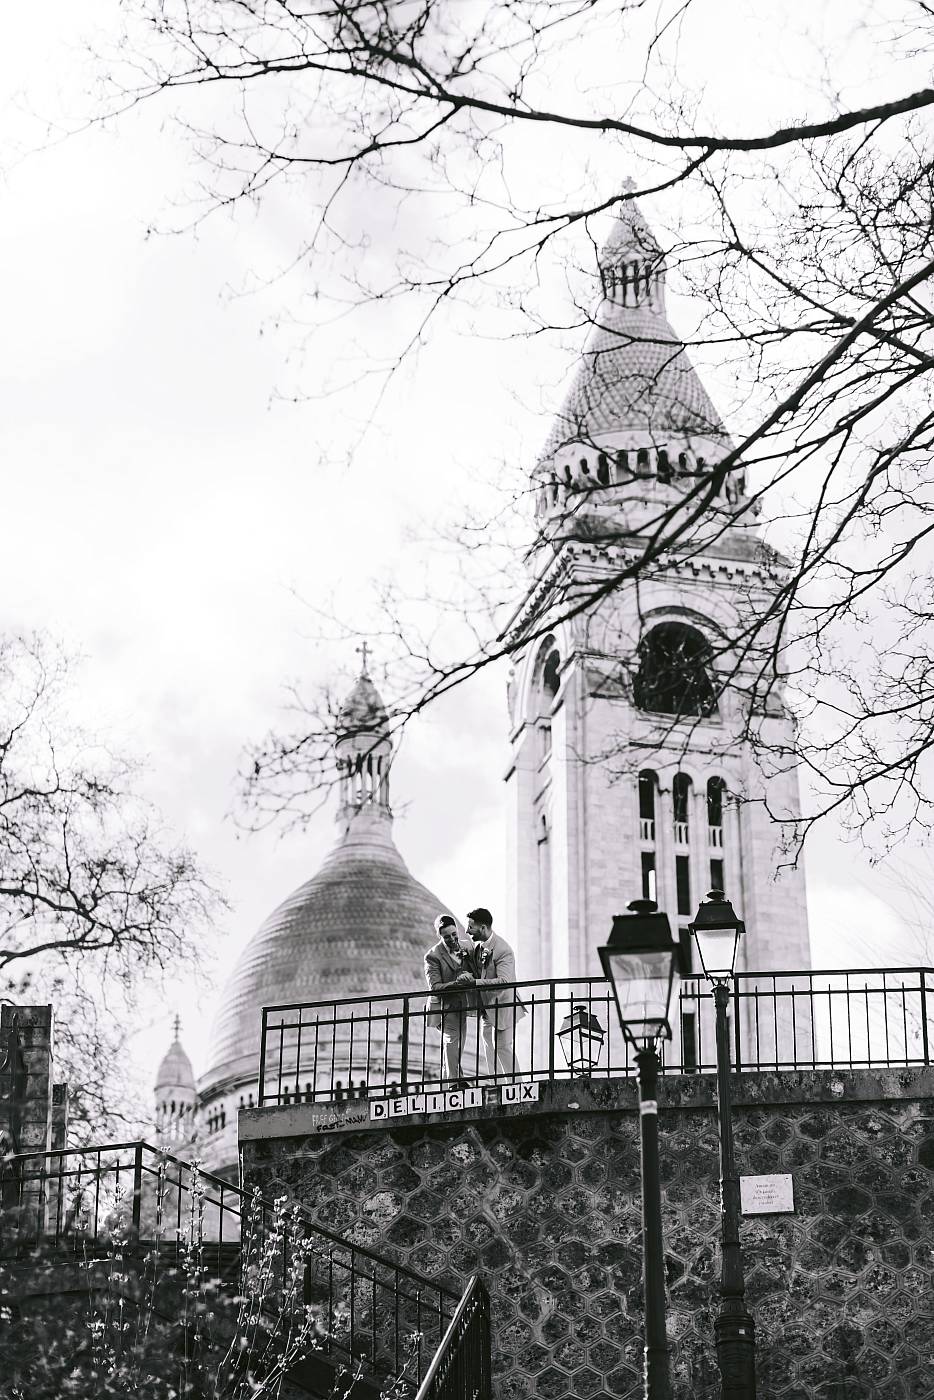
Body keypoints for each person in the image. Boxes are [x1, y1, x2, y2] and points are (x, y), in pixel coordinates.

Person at [466, 907, 525, 1079]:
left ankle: (517, 1086)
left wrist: (476, 983)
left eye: (471, 927)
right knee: (488, 1048)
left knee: (503, 1047)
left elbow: (504, 981)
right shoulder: (477, 947)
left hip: (504, 1005)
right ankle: (496, 1086)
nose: (467, 930)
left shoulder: (503, 950)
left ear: (483, 928)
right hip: (487, 1008)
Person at [424, 914, 478, 1089]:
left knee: (459, 1042)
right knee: (451, 1040)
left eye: (454, 934)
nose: (453, 939)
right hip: (444, 1007)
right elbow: (435, 987)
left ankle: (455, 1078)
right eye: (447, 937)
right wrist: (457, 984)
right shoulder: (432, 956)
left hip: (463, 1005)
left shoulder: (466, 947)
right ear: (440, 936)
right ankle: (453, 1083)